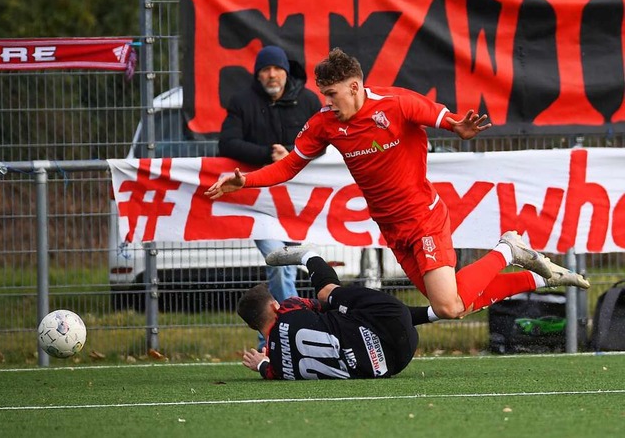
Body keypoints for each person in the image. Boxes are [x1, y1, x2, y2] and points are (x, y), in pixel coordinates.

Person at [208, 48, 590, 323]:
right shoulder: (325, 122)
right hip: (390, 228)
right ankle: (535, 276)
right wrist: (245, 182)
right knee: (456, 304)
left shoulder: (397, 104)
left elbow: (450, 121)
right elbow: (290, 165)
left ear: (355, 86)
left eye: (332, 94)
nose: (326, 102)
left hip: (423, 217)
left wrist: (461, 128)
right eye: (323, 94)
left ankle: (508, 250)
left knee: (445, 306)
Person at [218, 45, 322, 347]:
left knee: (307, 266)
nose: (271, 74)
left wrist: (293, 155)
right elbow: (226, 144)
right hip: (261, 206)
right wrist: (267, 154)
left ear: (286, 72)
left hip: (305, 205)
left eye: (276, 68)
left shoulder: (308, 101)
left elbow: (326, 141)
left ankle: (288, 336)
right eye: (265, 69)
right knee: (280, 263)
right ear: (258, 75)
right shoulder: (241, 102)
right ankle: (284, 334)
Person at [238, 246, 430, 380]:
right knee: (327, 294)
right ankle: (310, 256)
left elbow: (268, 369)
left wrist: (261, 364)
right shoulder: (288, 307)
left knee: (350, 315)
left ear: (251, 325)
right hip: (390, 320)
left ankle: (433, 313)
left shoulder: (277, 368)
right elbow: (326, 305)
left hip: (395, 361)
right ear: (274, 306)